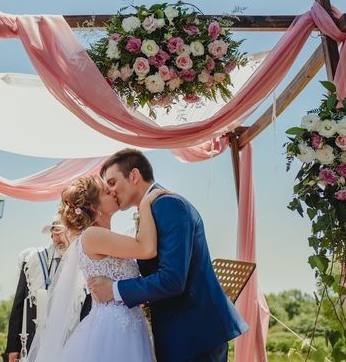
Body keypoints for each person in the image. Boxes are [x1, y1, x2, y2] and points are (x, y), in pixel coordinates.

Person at [88, 148, 249, 362]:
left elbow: (172, 279)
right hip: (181, 333)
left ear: (134, 176)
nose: (111, 191)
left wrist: (115, 289)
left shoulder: (168, 205)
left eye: (112, 182)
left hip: (194, 335)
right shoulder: (152, 208)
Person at [28, 175, 166, 362]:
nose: (113, 192)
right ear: (94, 207)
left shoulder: (105, 236)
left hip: (128, 326)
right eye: (106, 192)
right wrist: (145, 203)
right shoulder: (92, 235)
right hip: (113, 331)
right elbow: (146, 248)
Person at [4, 217, 69, 362]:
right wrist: (13, 347)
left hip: (66, 337)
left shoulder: (80, 261)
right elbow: (19, 304)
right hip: (32, 338)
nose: (58, 238)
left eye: (61, 232)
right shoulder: (33, 260)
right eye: (55, 233)